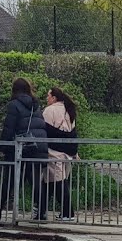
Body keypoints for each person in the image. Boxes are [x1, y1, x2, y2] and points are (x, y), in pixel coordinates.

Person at [0, 78, 48, 220]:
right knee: (36, 182)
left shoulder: (14, 105)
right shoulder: (36, 105)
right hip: (38, 147)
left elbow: (9, 128)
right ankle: (42, 211)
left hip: (21, 148)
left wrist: (3, 146)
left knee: (9, 181)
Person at [42, 86, 79, 222]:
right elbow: (73, 133)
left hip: (54, 153)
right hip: (67, 153)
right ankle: (41, 210)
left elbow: (44, 132)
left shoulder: (49, 111)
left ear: (54, 98)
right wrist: (75, 151)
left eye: (48, 96)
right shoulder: (69, 110)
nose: (47, 98)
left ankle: (68, 213)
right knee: (53, 181)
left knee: (57, 182)